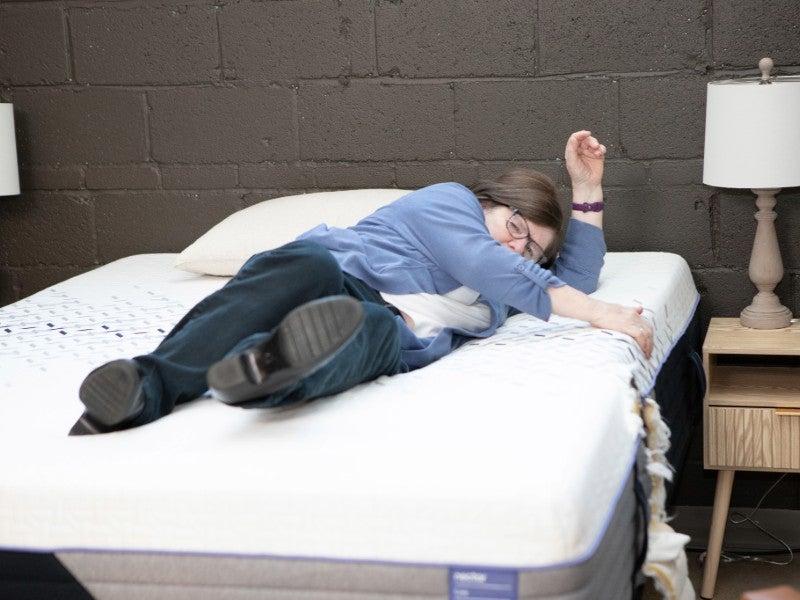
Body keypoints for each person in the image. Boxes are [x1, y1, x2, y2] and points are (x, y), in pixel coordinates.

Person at [69, 130, 654, 436]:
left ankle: (261, 371)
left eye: (532, 250)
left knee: (375, 331)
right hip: (323, 278)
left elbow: (577, 275)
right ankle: (147, 387)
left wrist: (586, 185)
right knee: (311, 265)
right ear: (487, 203)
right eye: (515, 227)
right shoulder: (448, 204)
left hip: (373, 323)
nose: (517, 249)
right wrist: (605, 315)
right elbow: (498, 266)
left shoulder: (506, 295)